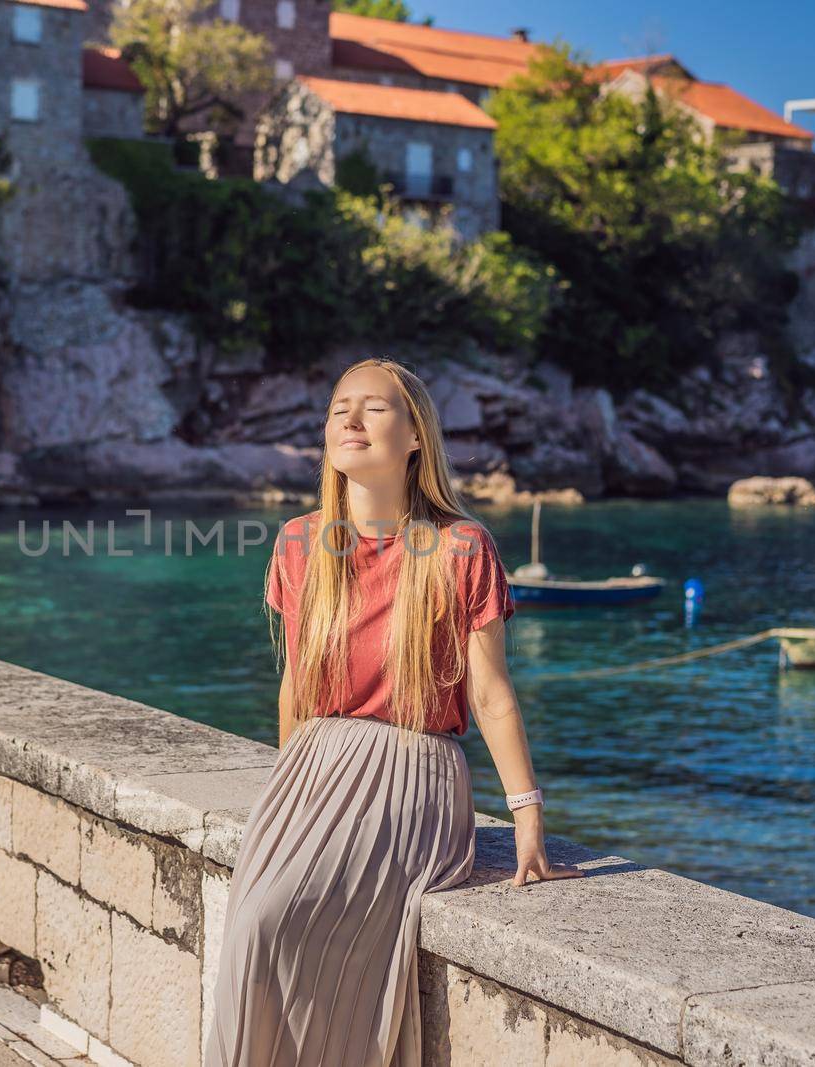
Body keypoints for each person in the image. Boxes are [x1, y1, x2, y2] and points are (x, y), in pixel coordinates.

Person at [203, 358, 584, 1067]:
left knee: (274, 918)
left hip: (413, 774)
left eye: (373, 408)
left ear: (415, 437)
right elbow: (294, 689)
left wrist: (528, 815)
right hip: (314, 769)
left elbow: (491, 693)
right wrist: (289, 793)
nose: (349, 419)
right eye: (339, 406)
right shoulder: (299, 543)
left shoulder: (460, 546)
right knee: (252, 926)